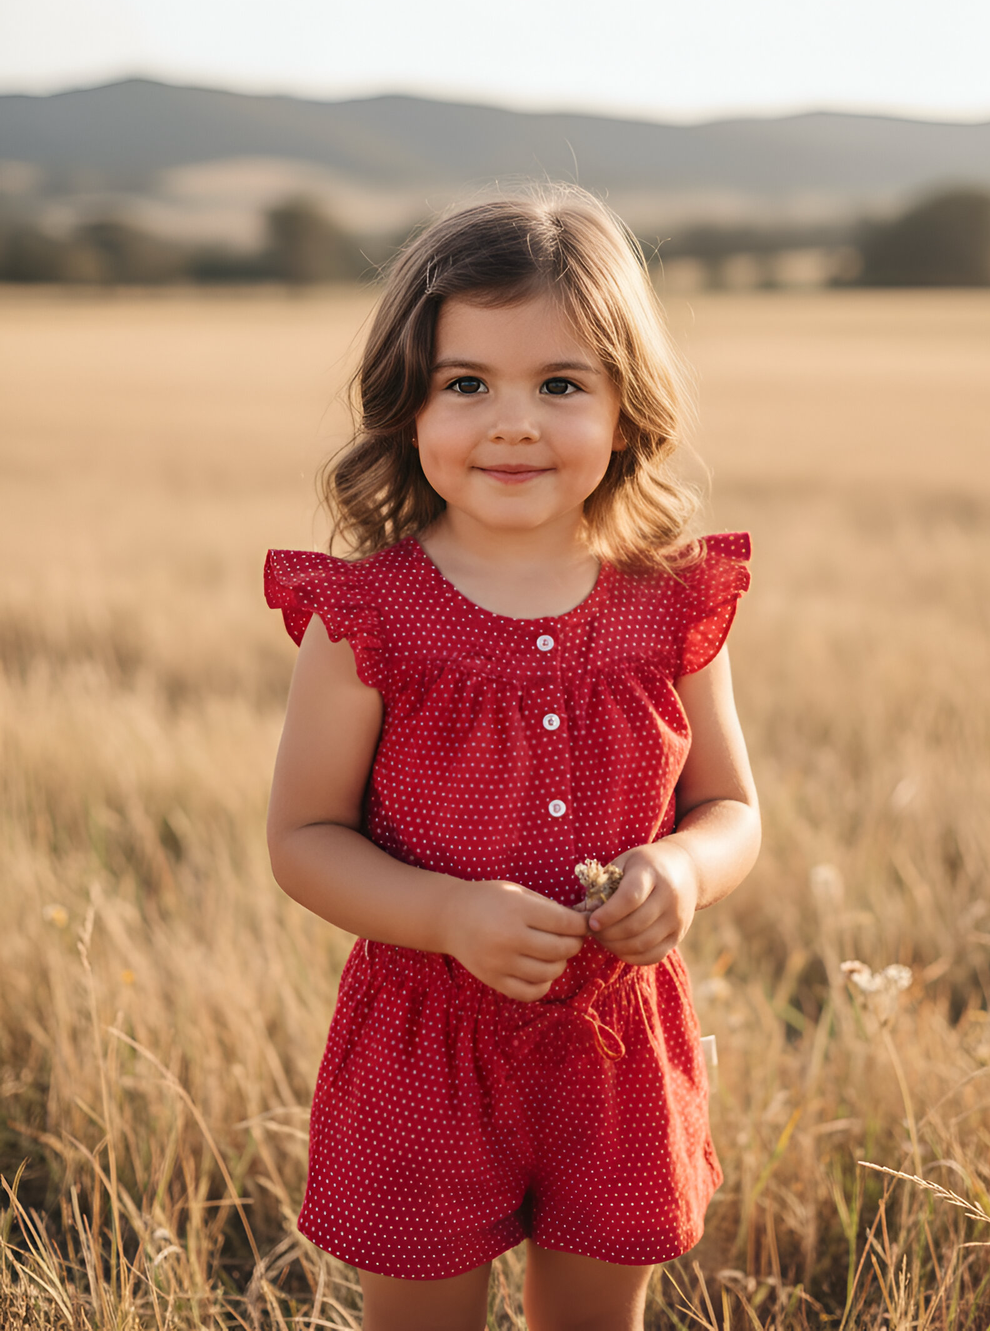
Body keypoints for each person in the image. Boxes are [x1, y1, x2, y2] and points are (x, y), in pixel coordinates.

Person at [263, 187, 760, 1331]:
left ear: (629, 407)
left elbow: (730, 803)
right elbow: (303, 840)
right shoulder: (368, 618)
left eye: (562, 384)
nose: (514, 421)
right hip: (423, 1052)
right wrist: (445, 916)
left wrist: (682, 871)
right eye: (467, 382)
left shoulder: (673, 602)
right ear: (410, 404)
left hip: (615, 1044)